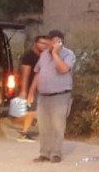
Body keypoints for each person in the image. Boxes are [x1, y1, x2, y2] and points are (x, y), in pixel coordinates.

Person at [33, 30, 75, 163]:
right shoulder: (44, 55)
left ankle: (56, 153)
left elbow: (63, 69)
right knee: (43, 125)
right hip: (43, 95)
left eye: (55, 40)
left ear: (61, 41)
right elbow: (38, 73)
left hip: (60, 96)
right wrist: (29, 92)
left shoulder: (69, 54)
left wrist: (55, 54)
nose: (52, 43)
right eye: (50, 40)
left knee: (58, 125)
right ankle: (44, 152)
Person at [16, 36, 50, 142]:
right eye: (42, 43)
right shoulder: (29, 56)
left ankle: (25, 130)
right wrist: (24, 90)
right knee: (31, 110)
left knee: (32, 111)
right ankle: (24, 133)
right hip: (30, 87)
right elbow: (25, 74)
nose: (44, 46)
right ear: (36, 43)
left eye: (46, 44)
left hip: (39, 88)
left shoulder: (43, 57)